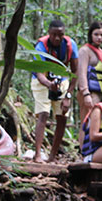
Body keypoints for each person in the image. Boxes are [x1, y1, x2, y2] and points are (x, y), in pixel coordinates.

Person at [31, 19, 78, 163]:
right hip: (42, 81)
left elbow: (75, 72)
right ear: (48, 33)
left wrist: (68, 95)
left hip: (61, 80)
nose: (57, 38)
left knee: (62, 117)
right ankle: (38, 154)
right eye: (54, 35)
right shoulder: (41, 46)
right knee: (43, 114)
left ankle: (52, 155)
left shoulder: (70, 45)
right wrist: (48, 84)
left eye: (60, 35)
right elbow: (39, 74)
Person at [76, 21, 102, 113]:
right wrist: (85, 93)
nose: (99, 37)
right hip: (90, 92)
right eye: (96, 34)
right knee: (87, 123)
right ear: (90, 34)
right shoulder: (85, 51)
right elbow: (81, 73)